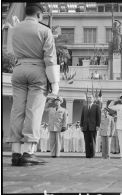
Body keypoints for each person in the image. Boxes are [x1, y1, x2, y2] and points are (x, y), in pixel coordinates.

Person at [7, 3, 60, 166]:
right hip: (37, 70)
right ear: (39, 15)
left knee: (17, 110)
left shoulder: (14, 29)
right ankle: (28, 152)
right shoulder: (45, 31)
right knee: (33, 111)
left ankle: (15, 152)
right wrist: (55, 83)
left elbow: (11, 51)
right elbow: (50, 59)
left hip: (19, 69)